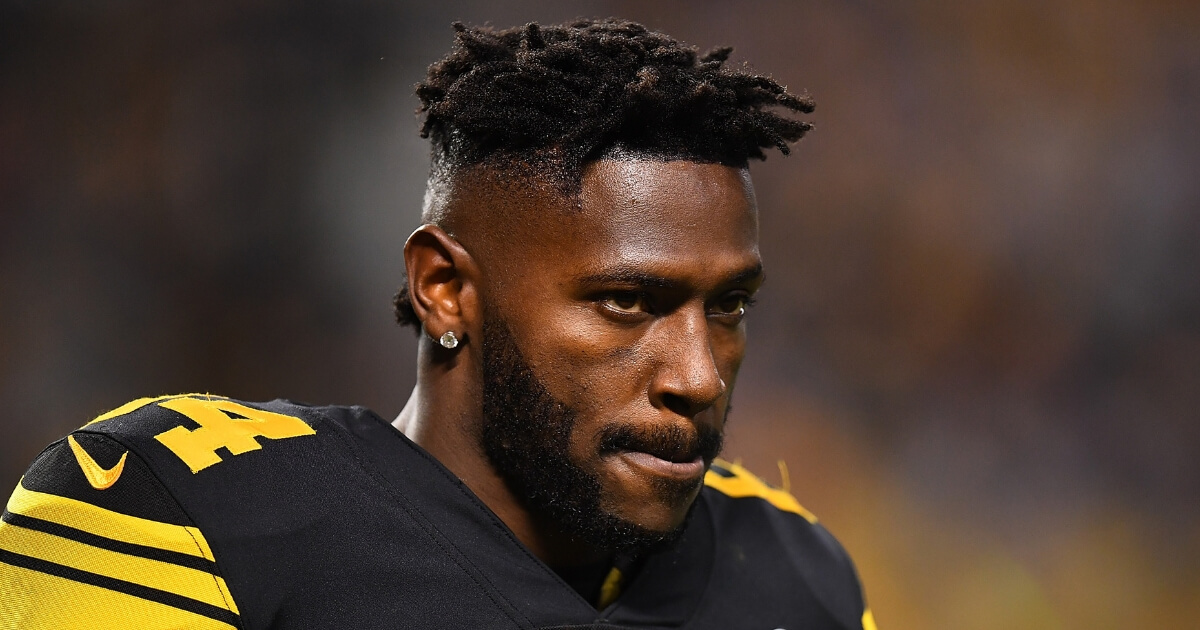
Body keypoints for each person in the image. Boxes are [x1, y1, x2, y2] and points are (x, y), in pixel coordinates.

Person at [0, 19, 877, 630]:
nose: (700, 376)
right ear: (444, 289)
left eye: (727, 308)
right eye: (627, 303)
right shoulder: (179, 519)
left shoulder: (799, 577)